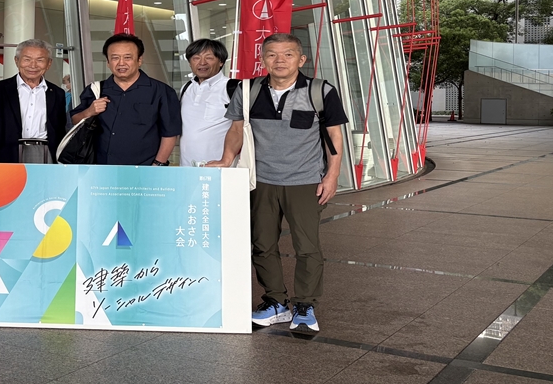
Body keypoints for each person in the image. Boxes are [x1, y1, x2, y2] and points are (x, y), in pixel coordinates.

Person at [209, 32, 346, 333]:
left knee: (307, 246)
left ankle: (305, 304)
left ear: (301, 59)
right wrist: (226, 159)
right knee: (262, 244)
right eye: (272, 54)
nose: (279, 60)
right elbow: (236, 129)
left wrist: (332, 175)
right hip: (260, 181)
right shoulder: (248, 90)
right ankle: (275, 302)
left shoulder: (320, 91)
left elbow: (334, 135)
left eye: (288, 54)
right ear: (263, 59)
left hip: (305, 182)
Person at [71, 33, 181, 166]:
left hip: (144, 169)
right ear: (108, 62)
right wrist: (89, 112)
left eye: (127, 57)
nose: (121, 63)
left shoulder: (161, 91)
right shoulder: (96, 90)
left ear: (139, 60)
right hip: (101, 168)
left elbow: (170, 133)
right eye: (115, 58)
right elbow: (75, 120)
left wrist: (157, 164)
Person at [0, 39, 69, 163]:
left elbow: (59, 129)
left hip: (45, 152)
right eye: (27, 59)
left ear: (49, 63)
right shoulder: (0, 89)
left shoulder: (57, 93)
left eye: (40, 60)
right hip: (7, 154)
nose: (33, 65)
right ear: (16, 61)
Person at [178, 38, 235, 167]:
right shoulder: (186, 88)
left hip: (220, 167)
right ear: (190, 63)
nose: (202, 62)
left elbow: (240, 128)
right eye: (196, 58)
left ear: (221, 62)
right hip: (186, 167)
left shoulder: (232, 88)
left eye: (209, 58)